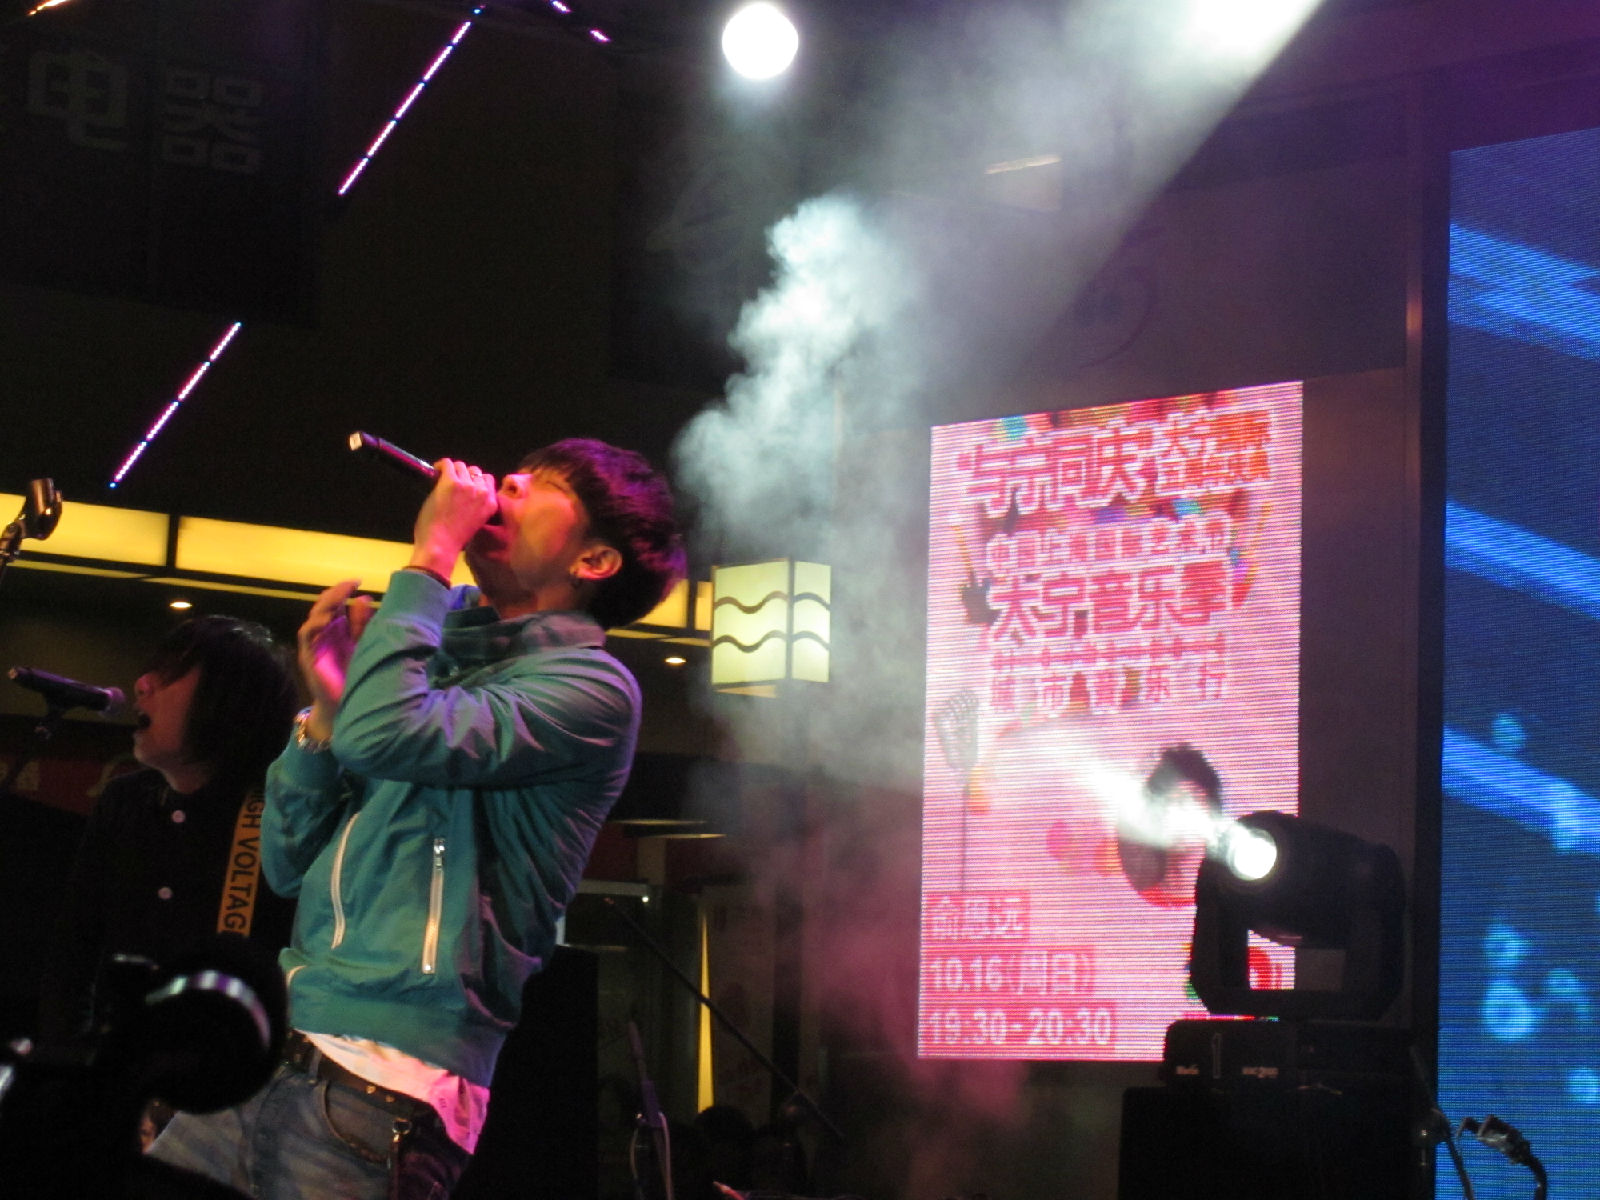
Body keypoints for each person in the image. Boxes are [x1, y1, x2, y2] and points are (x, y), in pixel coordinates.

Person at [148, 438, 685, 1199]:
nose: (508, 482)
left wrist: (432, 556)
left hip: (391, 1082)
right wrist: (327, 715)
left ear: (594, 561)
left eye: (543, 485)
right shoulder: (426, 660)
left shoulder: (592, 688)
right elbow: (287, 861)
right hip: (276, 1045)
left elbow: (386, 734)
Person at [39, 616, 300, 1052]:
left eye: (170, 674)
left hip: (229, 1073)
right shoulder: (125, 800)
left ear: (227, 699)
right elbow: (73, 951)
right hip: (117, 1064)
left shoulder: (285, 811)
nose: (142, 684)